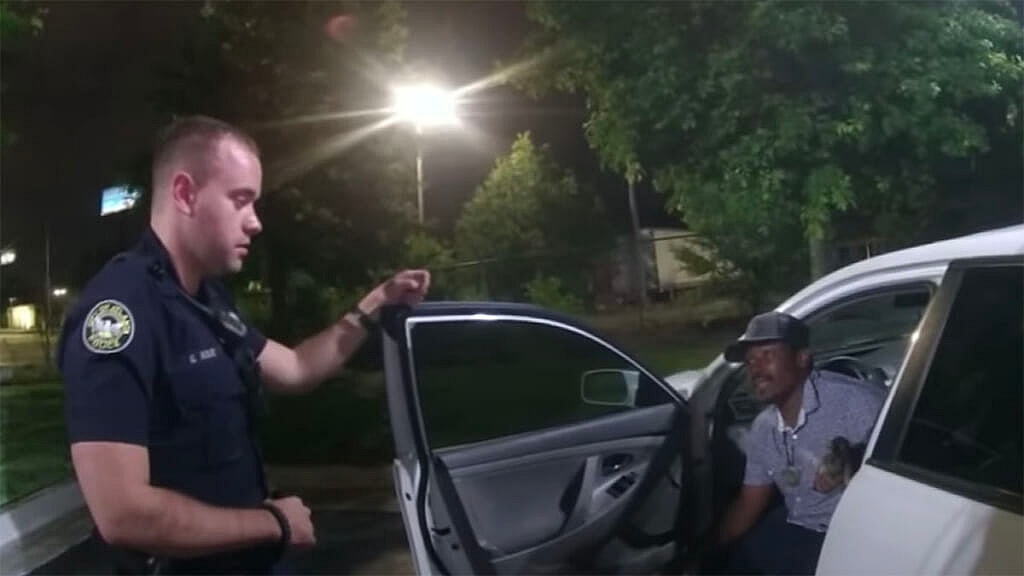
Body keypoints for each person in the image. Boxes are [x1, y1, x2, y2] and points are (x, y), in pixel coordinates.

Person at [57, 115, 430, 574]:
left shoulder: (204, 300)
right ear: (185, 194)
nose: (254, 223)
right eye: (241, 201)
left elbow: (294, 368)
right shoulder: (119, 313)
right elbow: (123, 514)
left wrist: (375, 304)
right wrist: (273, 522)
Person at [714, 312, 884, 575]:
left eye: (766, 355)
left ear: (801, 358)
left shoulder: (857, 403)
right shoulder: (764, 428)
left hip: (852, 536)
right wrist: (707, 552)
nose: (755, 369)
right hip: (798, 523)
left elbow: (904, 462)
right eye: (750, 361)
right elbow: (750, 502)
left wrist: (856, 459)